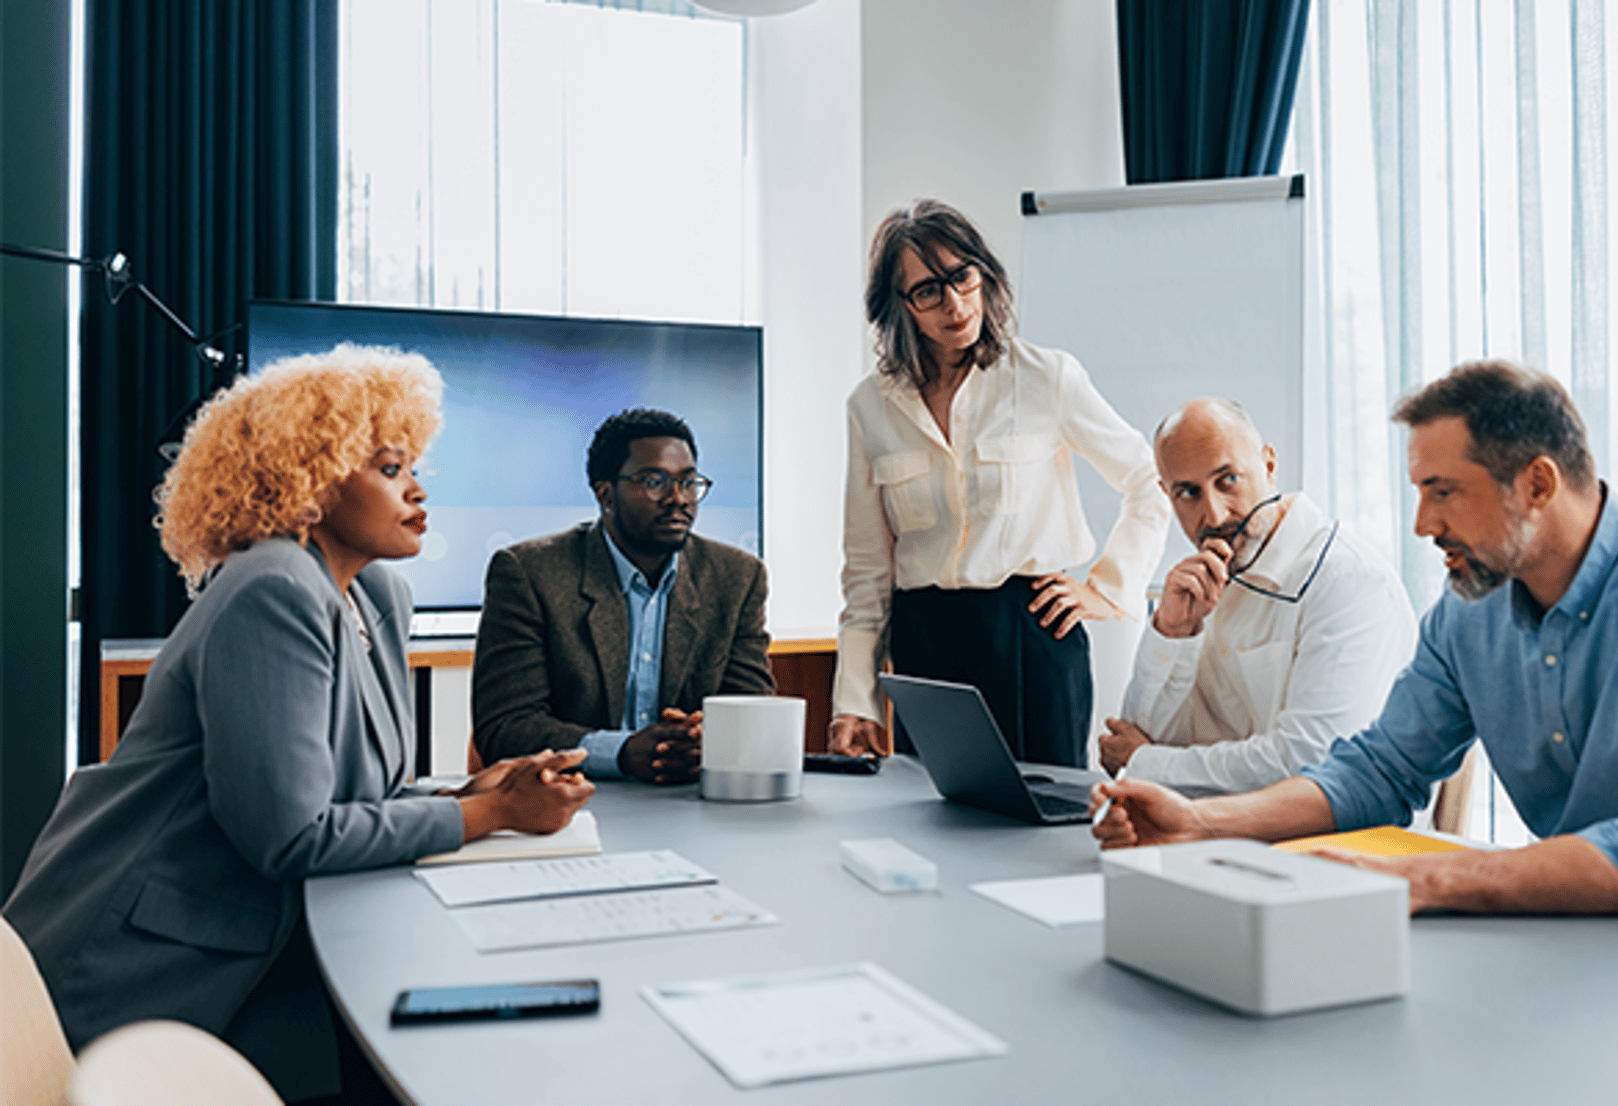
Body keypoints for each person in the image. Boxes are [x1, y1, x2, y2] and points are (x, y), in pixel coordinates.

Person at [2, 345, 593, 1102]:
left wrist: (460, 795)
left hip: (258, 952)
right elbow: (288, 834)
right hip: (148, 965)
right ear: (308, 480)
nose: (416, 490)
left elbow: (352, 794)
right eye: (387, 468)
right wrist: (487, 816)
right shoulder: (272, 587)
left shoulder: (374, 597)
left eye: (415, 467)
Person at [1093, 361, 1618, 917]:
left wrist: (1435, 880)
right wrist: (1199, 818)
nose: (1422, 525)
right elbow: (1376, 773)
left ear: (1538, 485)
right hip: (1604, 919)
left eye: (1443, 492)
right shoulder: (1470, 613)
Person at [827, 199, 1170, 768]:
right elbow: (865, 574)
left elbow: (1148, 479)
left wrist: (1108, 589)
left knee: (1042, 823)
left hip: (1032, 634)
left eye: (963, 276)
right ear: (900, 305)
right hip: (925, 643)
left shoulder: (1046, 377)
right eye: (928, 290)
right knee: (933, 822)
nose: (955, 303)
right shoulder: (870, 407)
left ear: (984, 273)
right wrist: (854, 701)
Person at [1097, 398, 1417, 791]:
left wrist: (1148, 764)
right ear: (1167, 495)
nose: (1214, 516)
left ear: (1268, 465)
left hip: (1336, 845)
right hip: (1218, 833)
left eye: (1228, 480)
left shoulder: (1350, 582)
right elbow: (1133, 740)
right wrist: (1170, 632)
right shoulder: (1205, 583)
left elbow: (1310, 767)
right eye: (1188, 493)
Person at [472, 408, 774, 782]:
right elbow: (505, 729)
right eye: (654, 481)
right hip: (569, 801)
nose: (678, 499)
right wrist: (621, 752)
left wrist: (699, 743)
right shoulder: (530, 574)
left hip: (690, 801)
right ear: (606, 494)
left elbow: (752, 712)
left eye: (689, 482)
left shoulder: (737, 578)